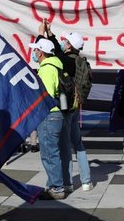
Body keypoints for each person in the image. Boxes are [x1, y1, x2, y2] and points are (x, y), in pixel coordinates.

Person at [29, 37, 71, 199]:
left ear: (40, 52)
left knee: (49, 153)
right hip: (58, 113)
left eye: (35, 50)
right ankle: (62, 184)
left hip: (49, 114)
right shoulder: (56, 65)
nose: (34, 52)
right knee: (58, 151)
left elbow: (46, 94)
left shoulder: (46, 69)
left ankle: (56, 188)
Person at [58, 31, 93, 191]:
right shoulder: (81, 61)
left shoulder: (66, 60)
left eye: (65, 41)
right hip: (76, 105)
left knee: (65, 145)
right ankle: (86, 181)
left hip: (65, 107)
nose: (63, 42)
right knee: (78, 144)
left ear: (69, 46)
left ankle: (67, 183)